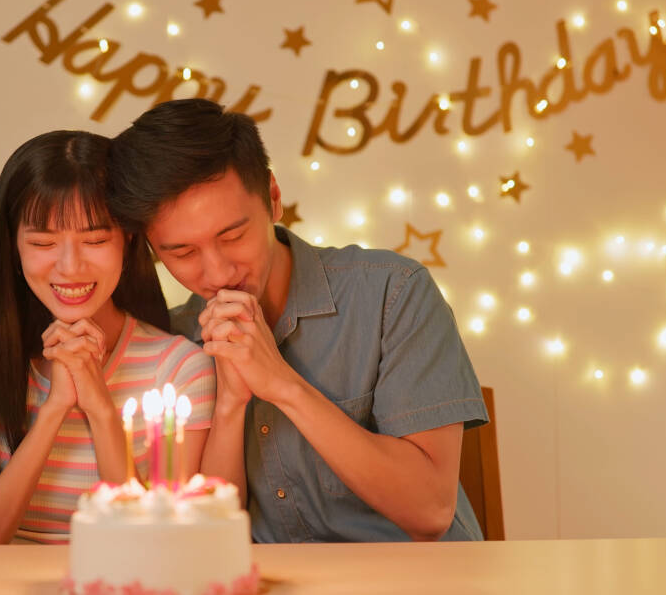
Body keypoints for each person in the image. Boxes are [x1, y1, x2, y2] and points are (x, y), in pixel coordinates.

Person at [107, 99, 489, 543]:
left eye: (232, 236)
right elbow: (200, 544)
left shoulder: (392, 294)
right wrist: (229, 406)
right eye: (182, 253)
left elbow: (430, 512)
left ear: (273, 199)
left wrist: (282, 385)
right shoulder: (175, 345)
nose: (216, 274)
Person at [0, 131, 215, 544]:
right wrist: (55, 409)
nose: (70, 267)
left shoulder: (180, 367)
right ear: (13, 246)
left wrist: (99, 407)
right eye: (43, 242)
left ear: (128, 238)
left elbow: (156, 546)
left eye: (95, 240)